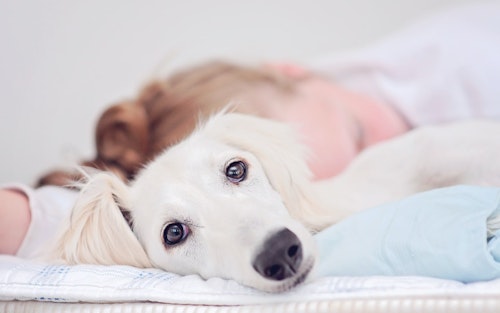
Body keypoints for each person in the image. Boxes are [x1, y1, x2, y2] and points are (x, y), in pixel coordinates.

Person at [1, 1, 500, 257]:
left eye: (359, 135)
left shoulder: (461, 59)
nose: (393, 153)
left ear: (290, 70)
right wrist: (38, 216)